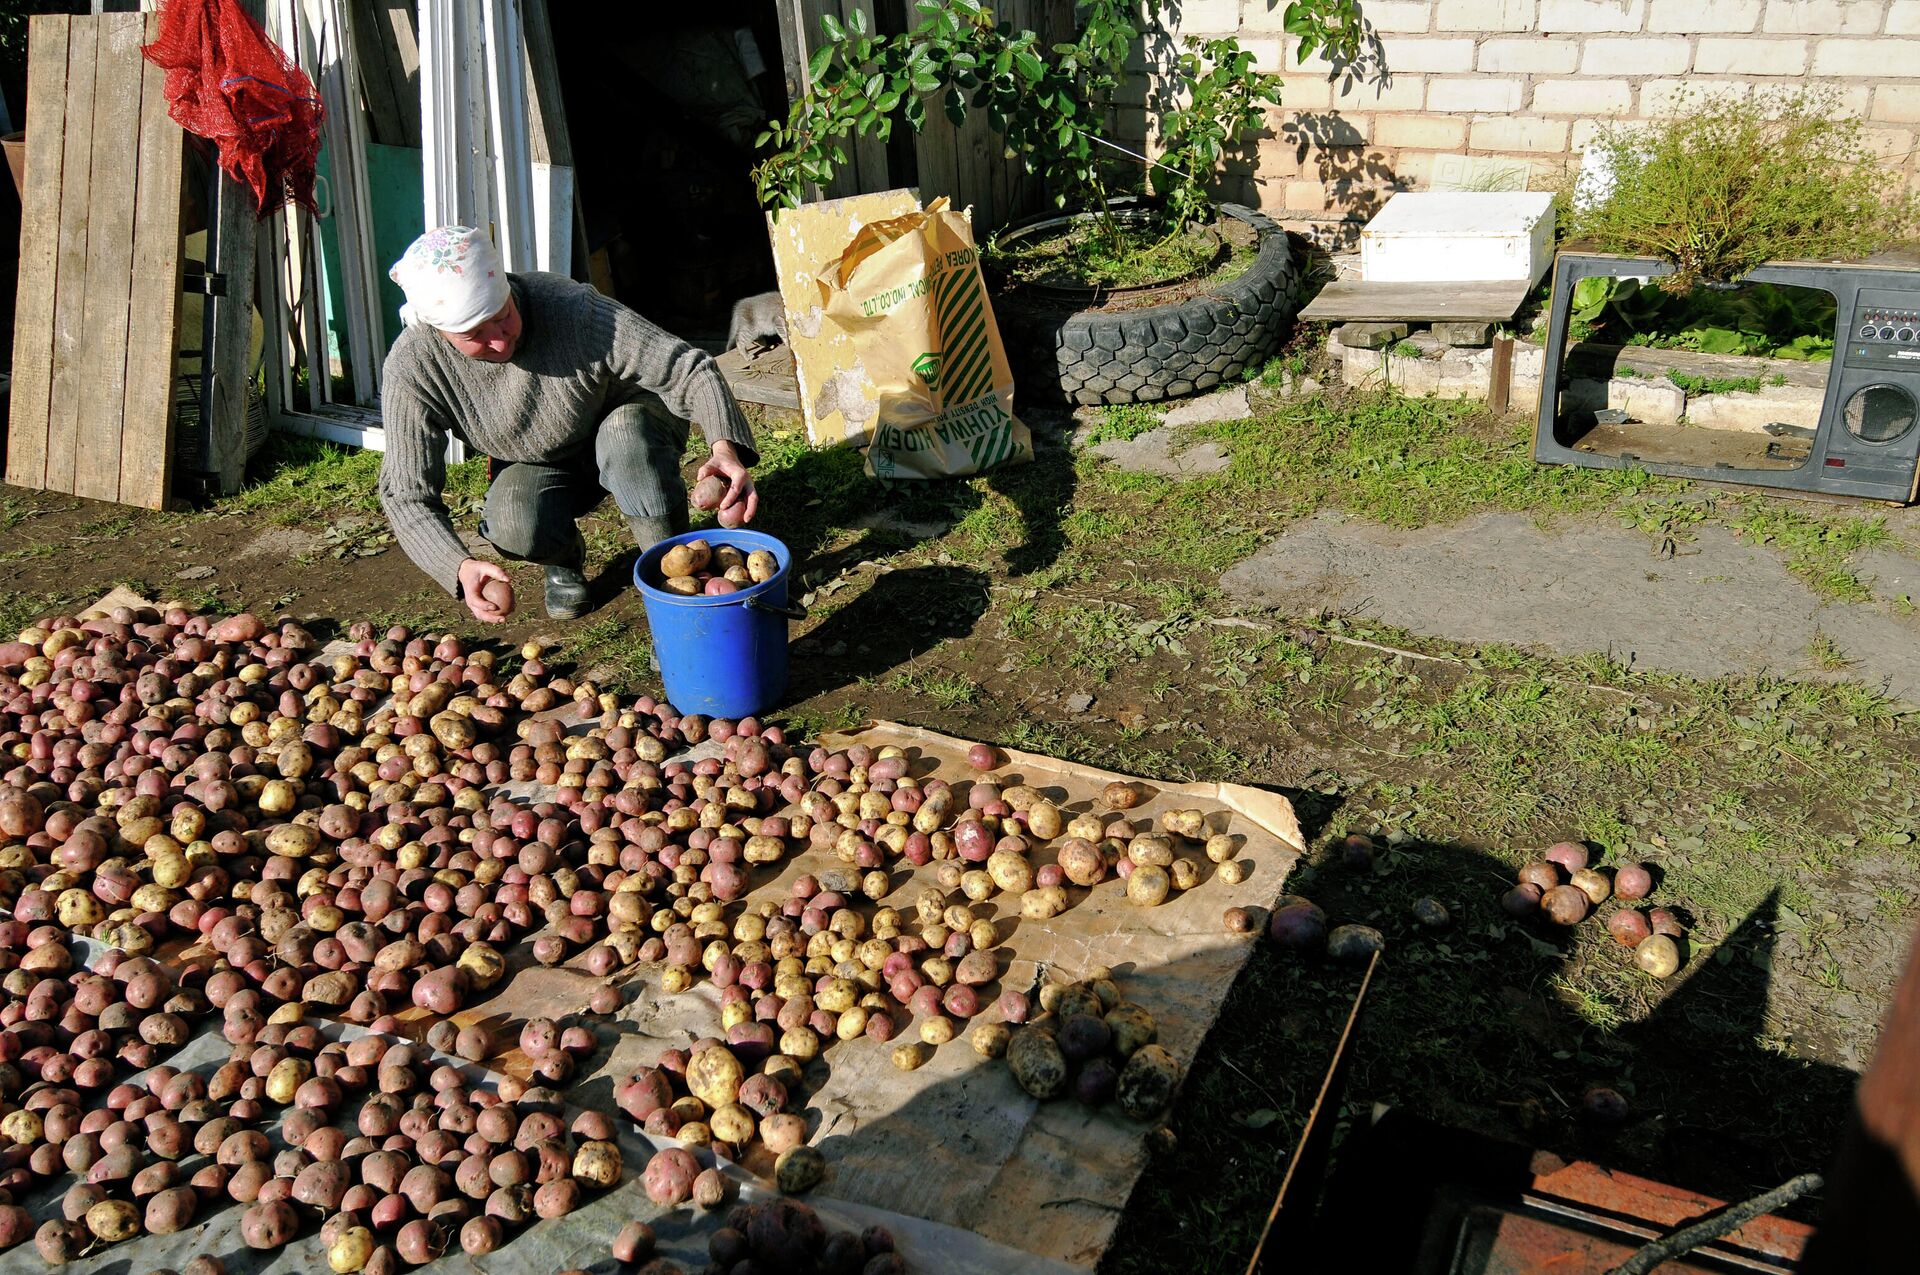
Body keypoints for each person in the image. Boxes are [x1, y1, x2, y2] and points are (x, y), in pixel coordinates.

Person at [378, 225, 759, 621]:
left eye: (503, 315)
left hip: (628, 417)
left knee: (626, 441)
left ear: (508, 289)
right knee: (512, 523)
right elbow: (405, 493)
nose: (498, 340)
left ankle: (676, 593)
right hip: (538, 455)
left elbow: (687, 368)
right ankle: (563, 559)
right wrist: (456, 565)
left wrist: (724, 449)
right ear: (439, 332)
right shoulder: (415, 368)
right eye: (474, 334)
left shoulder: (568, 308)